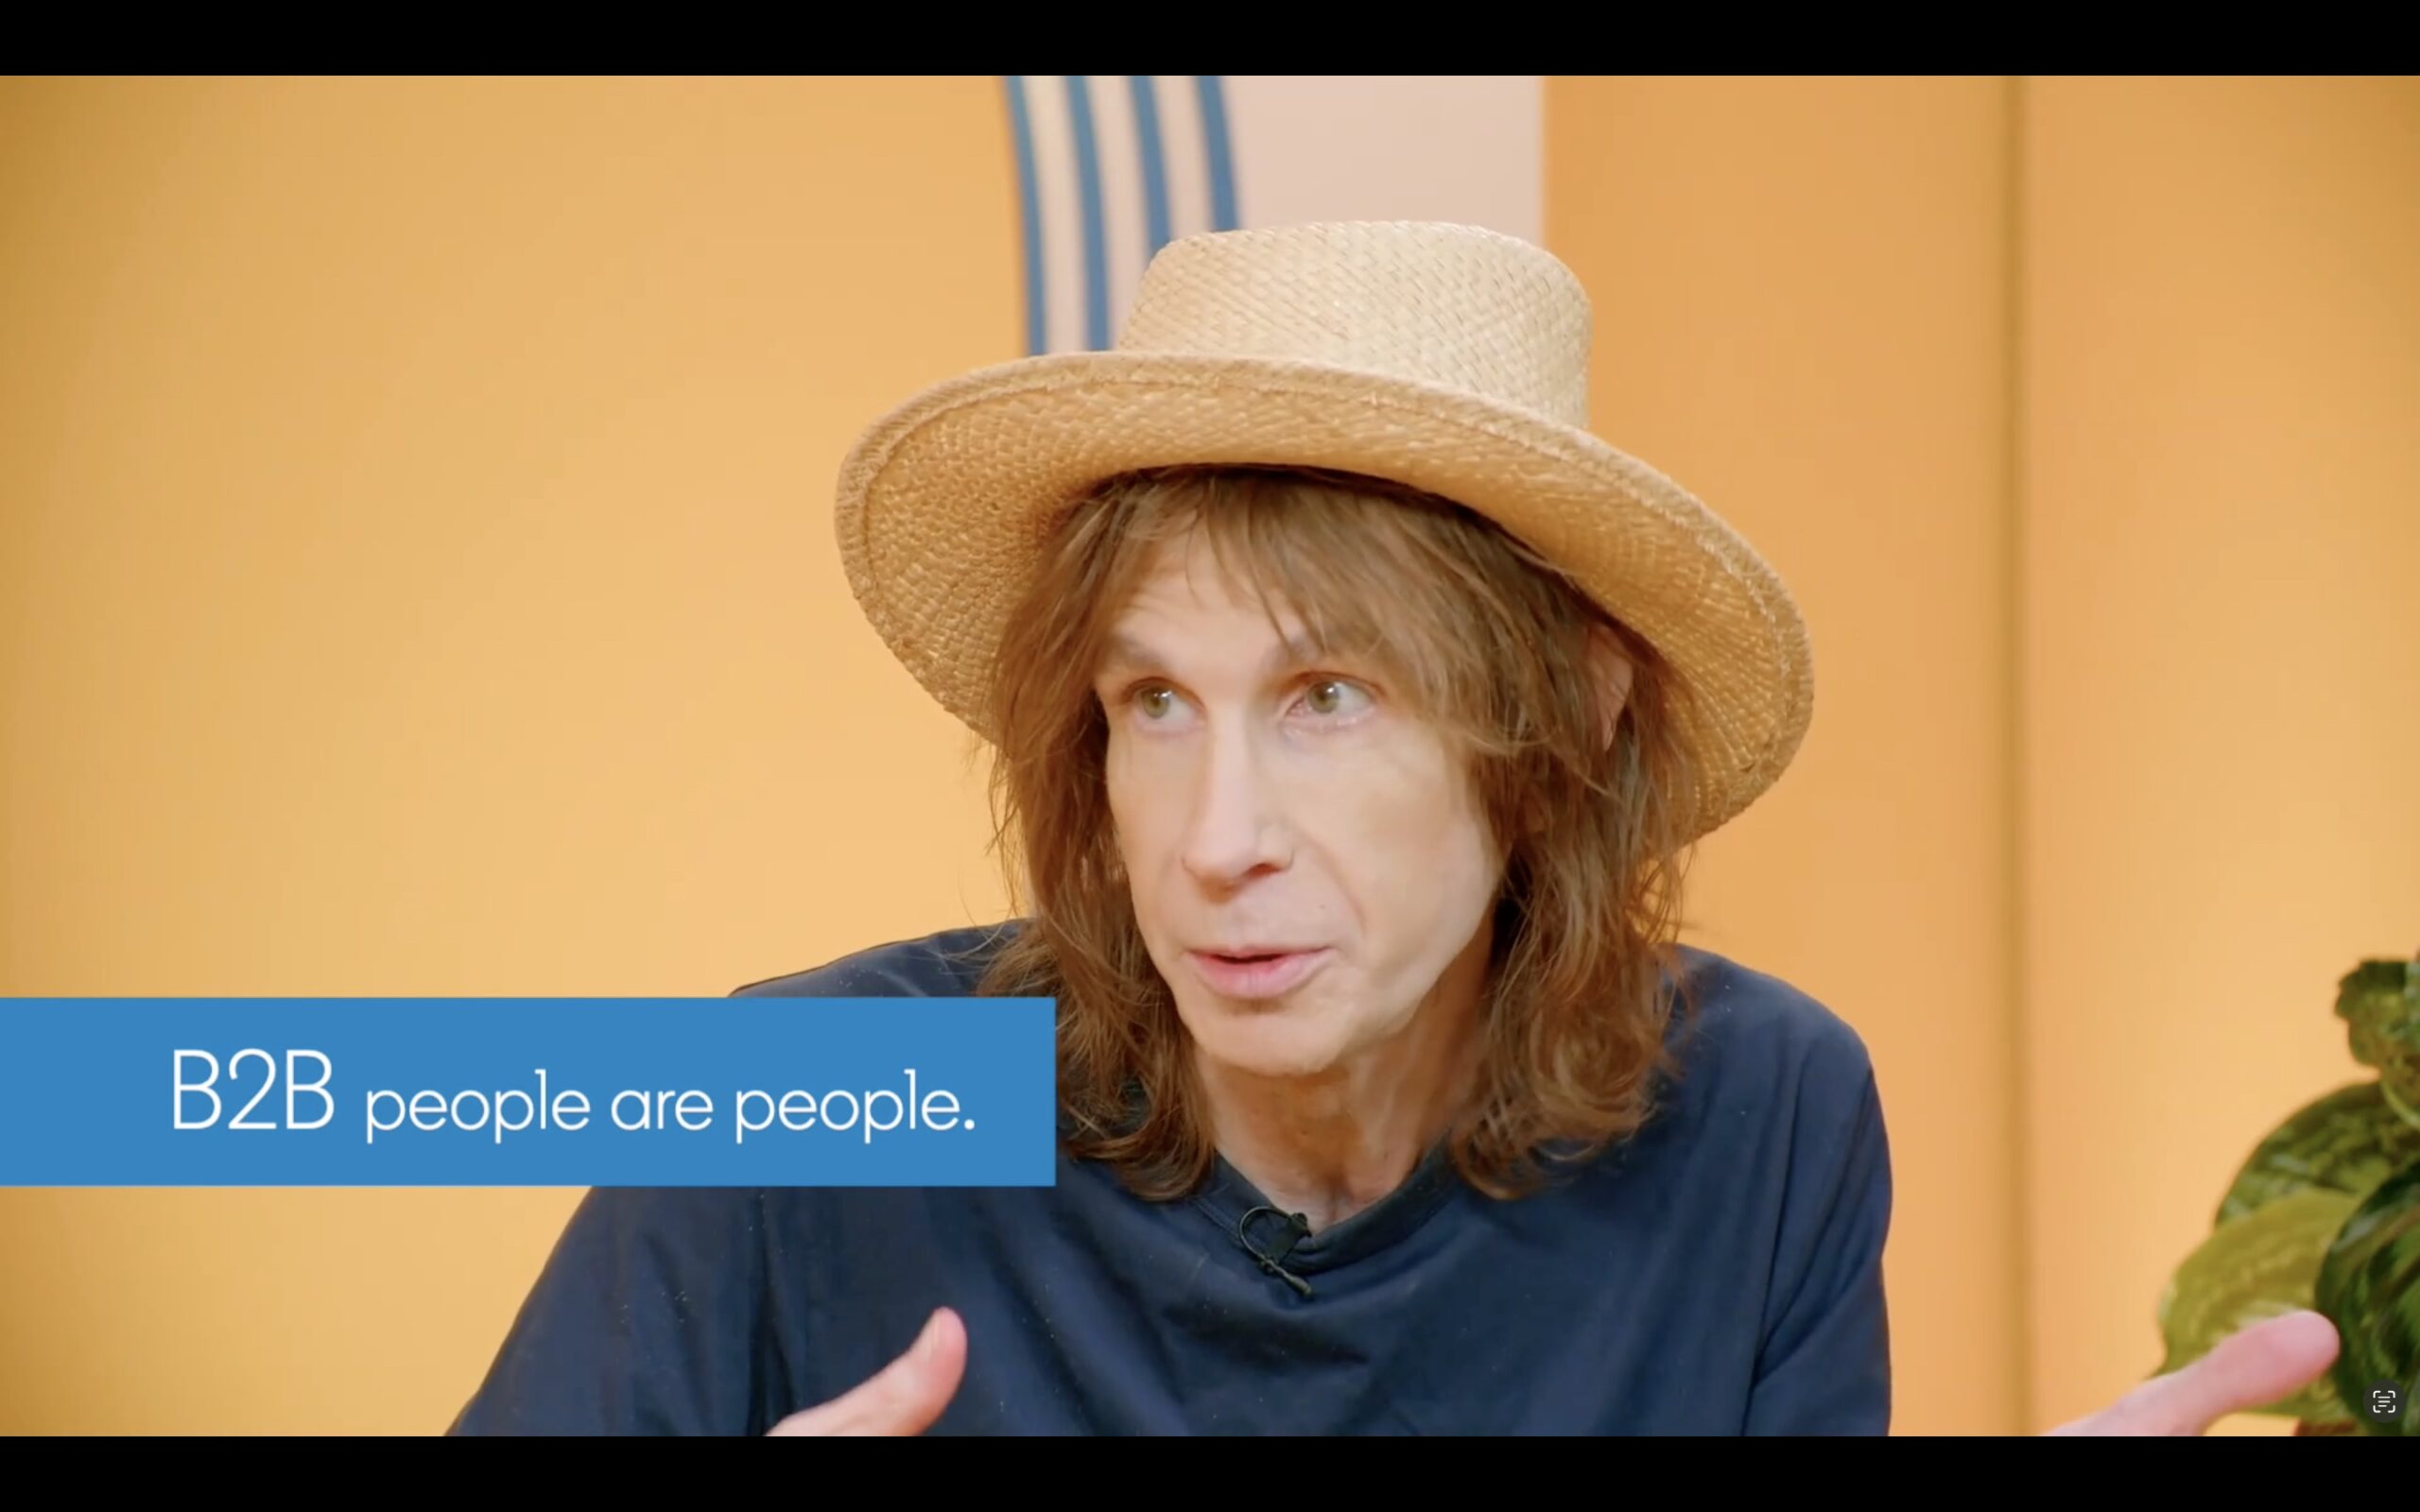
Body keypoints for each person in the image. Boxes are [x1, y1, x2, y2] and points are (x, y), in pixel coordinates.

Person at [447, 220, 2339, 1435]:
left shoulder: (1759, 1119)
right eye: (1153, 703)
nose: (1212, 840)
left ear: (1572, 712)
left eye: (1328, 696)